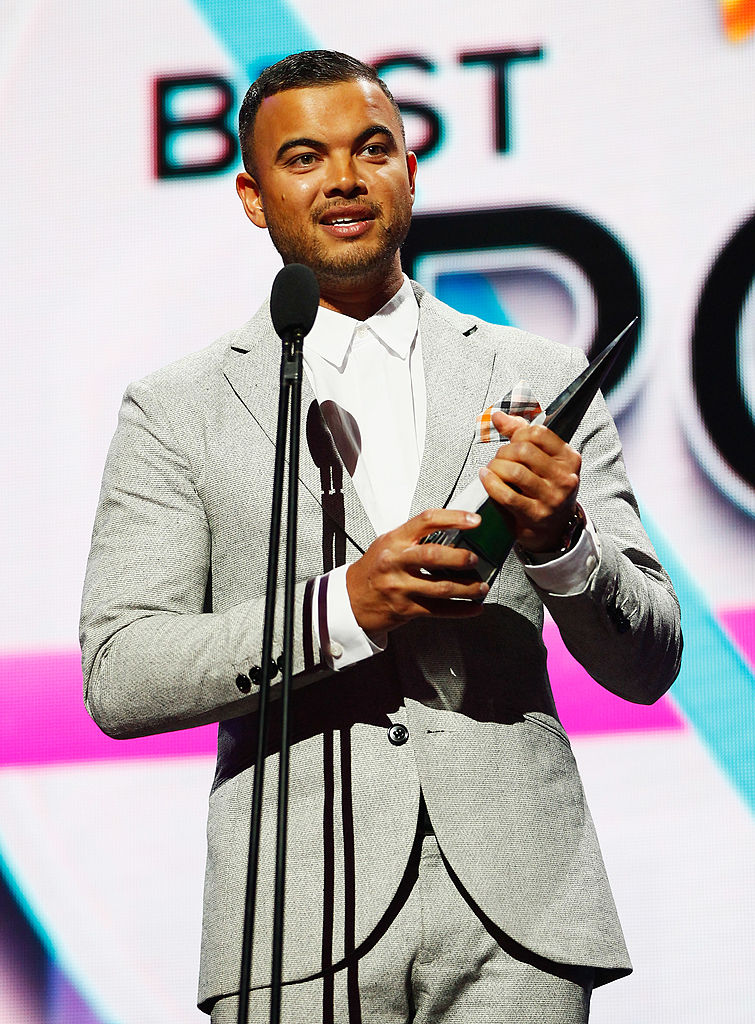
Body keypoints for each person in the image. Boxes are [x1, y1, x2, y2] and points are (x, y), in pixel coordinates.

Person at [80, 50, 682, 1024]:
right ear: (250, 192)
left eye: (371, 148)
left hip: (516, 920)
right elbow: (121, 673)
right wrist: (342, 610)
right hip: (291, 921)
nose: (346, 180)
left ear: (410, 168)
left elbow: (647, 659)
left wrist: (563, 541)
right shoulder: (177, 408)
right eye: (304, 158)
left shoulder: (535, 373)